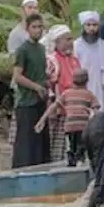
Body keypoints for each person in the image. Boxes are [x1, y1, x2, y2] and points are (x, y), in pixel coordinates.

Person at [10, 13, 50, 169]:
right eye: (34, 27)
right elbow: (17, 76)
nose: (38, 30)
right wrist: (36, 87)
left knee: (40, 141)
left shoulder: (41, 49)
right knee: (25, 143)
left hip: (41, 101)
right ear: (27, 29)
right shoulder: (23, 50)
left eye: (40, 27)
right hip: (26, 102)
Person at [37, 68, 98, 167]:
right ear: (87, 81)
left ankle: (72, 160)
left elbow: (54, 106)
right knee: (81, 145)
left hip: (70, 126)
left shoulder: (66, 93)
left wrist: (42, 119)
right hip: (83, 126)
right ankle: (80, 160)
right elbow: (95, 111)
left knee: (71, 146)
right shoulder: (89, 95)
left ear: (72, 80)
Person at [41, 24, 82, 164]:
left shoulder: (74, 60)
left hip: (73, 110)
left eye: (71, 39)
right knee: (54, 144)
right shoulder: (52, 61)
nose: (70, 42)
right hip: (57, 110)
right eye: (67, 39)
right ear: (57, 43)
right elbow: (48, 85)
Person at [7, 0, 40, 148]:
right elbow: (15, 61)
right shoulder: (16, 34)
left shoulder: (40, 33)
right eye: (29, 7)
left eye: (35, 7)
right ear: (23, 10)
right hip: (23, 84)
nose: (32, 10)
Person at [73, 10, 104, 108]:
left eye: (94, 25)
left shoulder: (103, 45)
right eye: (88, 25)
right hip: (81, 84)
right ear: (83, 27)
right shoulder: (76, 45)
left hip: (99, 84)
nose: (91, 28)